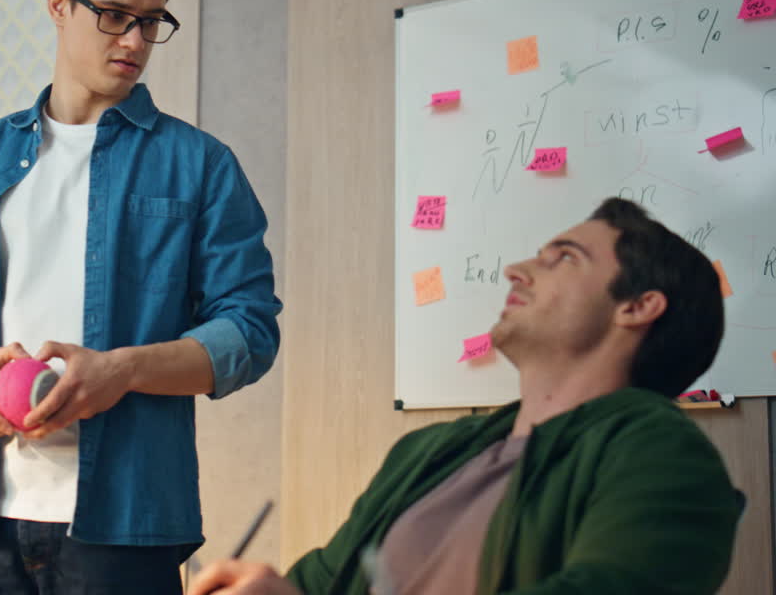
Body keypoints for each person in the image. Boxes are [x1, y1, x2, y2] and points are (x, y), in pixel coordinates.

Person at [0, 0, 282, 594]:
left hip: (126, 525)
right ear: (57, 4)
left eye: (152, 21)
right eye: (113, 15)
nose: (136, 40)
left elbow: (248, 331)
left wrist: (123, 371)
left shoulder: (199, 166)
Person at [189, 198, 742, 595]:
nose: (517, 270)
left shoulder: (662, 455)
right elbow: (320, 581)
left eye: (564, 258)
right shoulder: (429, 452)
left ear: (638, 307)